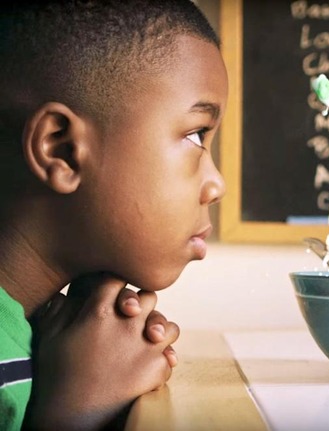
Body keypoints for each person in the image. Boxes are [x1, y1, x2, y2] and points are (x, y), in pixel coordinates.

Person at [0, 0, 228, 429]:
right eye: (197, 135)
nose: (217, 185)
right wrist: (71, 414)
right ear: (61, 149)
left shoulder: (37, 338)